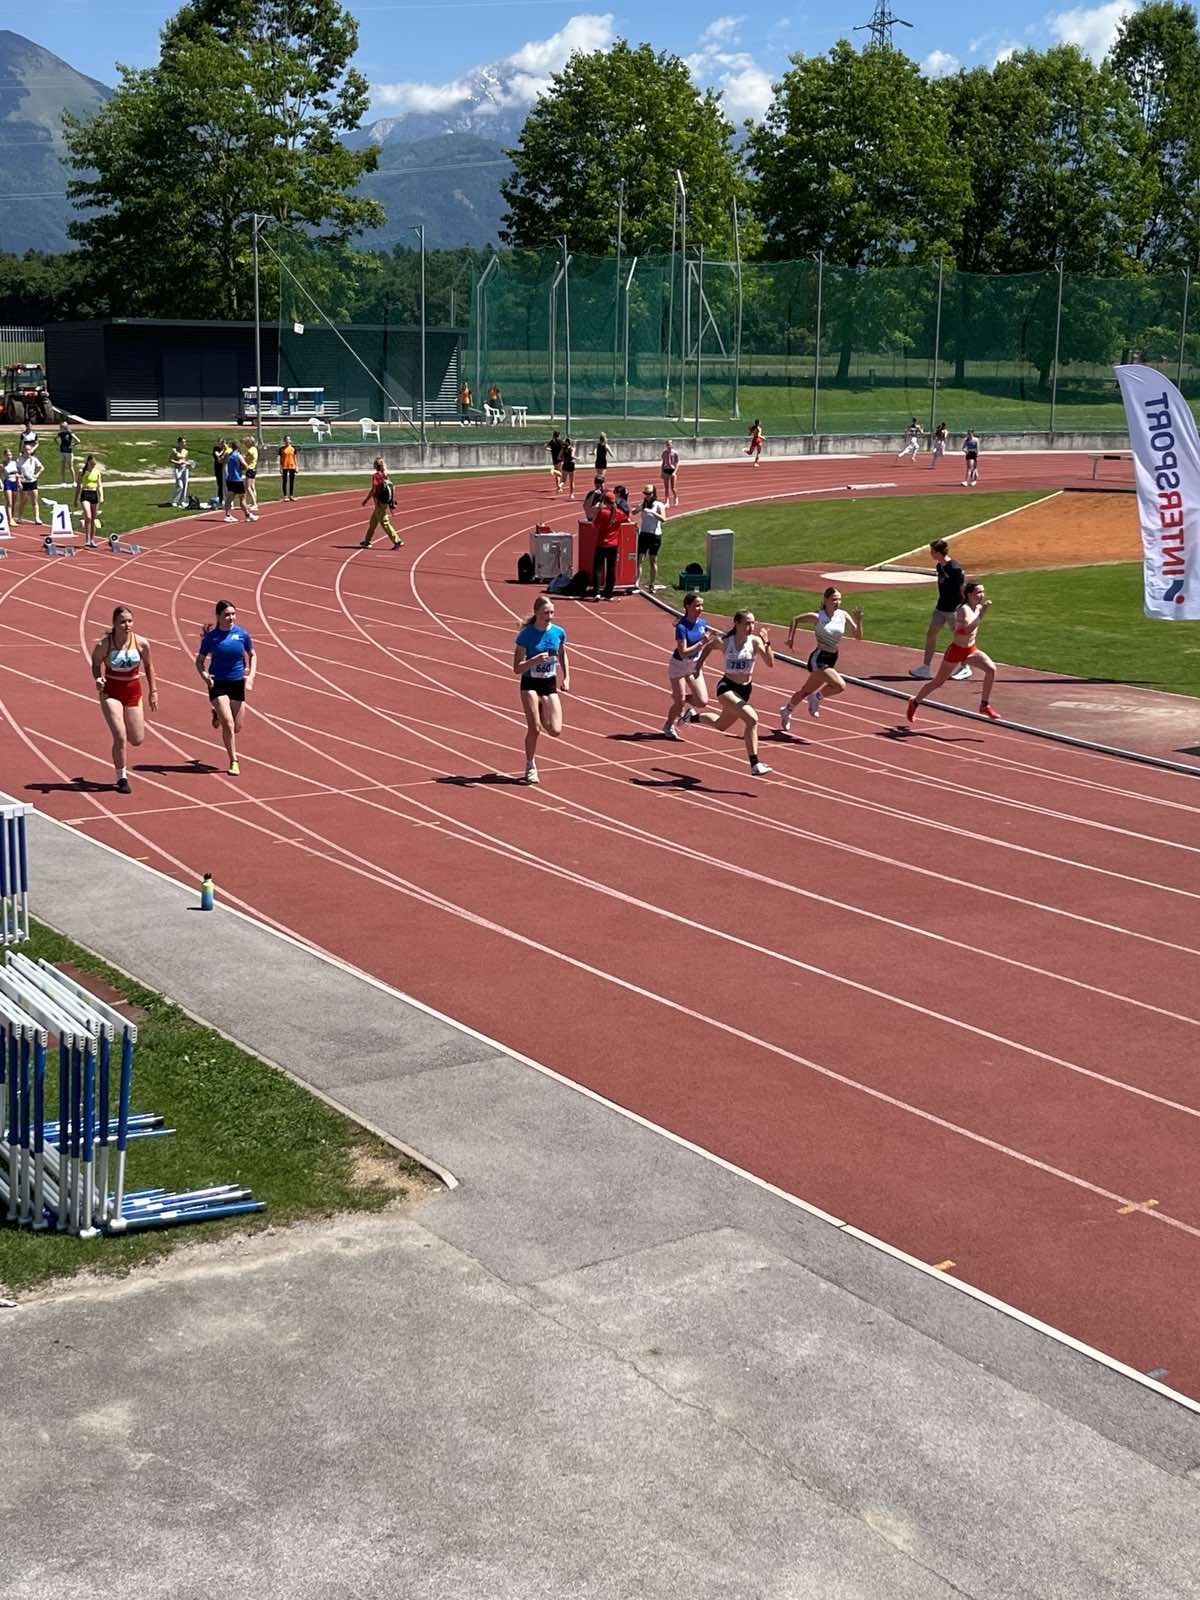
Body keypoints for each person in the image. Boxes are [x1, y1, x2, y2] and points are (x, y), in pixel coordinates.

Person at [906, 581, 999, 724]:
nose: (982, 595)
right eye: (978, 592)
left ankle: (984, 705)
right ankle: (915, 702)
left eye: (983, 592)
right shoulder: (964, 610)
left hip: (971, 649)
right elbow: (967, 629)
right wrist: (981, 615)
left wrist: (981, 612)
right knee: (938, 682)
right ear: (969, 594)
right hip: (956, 651)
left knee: (991, 669)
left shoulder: (978, 607)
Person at [694, 610, 774, 776]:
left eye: (753, 623)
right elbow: (709, 647)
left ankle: (693, 716)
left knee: (721, 725)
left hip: (745, 690)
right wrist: (698, 666)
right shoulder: (726, 641)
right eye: (747, 623)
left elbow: (770, 663)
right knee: (752, 719)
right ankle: (755, 764)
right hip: (726, 688)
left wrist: (767, 642)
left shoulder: (755, 642)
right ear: (737, 623)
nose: (751, 627)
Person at [90, 604, 158, 794]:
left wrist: (154, 691)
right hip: (111, 692)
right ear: (114, 624)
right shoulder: (104, 645)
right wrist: (98, 678)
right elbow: (95, 665)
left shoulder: (142, 643)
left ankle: (121, 762)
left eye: (130, 621)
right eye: (122, 622)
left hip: (133, 691)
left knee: (136, 739)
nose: (127, 625)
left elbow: (149, 667)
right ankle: (121, 777)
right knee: (120, 736)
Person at [779, 588, 863, 728]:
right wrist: (790, 639)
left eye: (840, 599)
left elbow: (858, 637)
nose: (838, 602)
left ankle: (786, 711)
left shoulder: (843, 615)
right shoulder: (818, 616)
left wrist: (858, 621)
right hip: (818, 659)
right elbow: (796, 619)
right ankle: (816, 698)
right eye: (834, 599)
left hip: (832, 657)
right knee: (840, 685)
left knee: (805, 690)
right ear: (825, 600)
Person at [512, 594, 569, 785]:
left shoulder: (558, 632)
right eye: (546, 612)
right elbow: (516, 668)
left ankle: (543, 707)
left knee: (555, 730)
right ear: (537, 613)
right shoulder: (526, 635)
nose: (550, 616)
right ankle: (530, 765)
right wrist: (535, 660)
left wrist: (567, 677)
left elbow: (562, 654)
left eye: (552, 612)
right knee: (534, 728)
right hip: (529, 684)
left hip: (549, 684)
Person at [195, 599, 256, 775]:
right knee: (228, 725)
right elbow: (199, 662)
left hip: (236, 683)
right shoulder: (211, 638)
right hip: (217, 683)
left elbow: (252, 655)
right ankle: (234, 760)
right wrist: (205, 676)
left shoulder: (242, 635)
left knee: (237, 727)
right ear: (218, 617)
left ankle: (217, 715)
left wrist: (250, 676)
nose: (231, 618)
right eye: (226, 615)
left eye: (233, 614)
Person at [909, 539, 973, 681]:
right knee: (931, 634)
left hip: (953, 610)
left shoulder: (955, 569)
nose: (930, 553)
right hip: (941, 607)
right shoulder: (939, 566)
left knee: (960, 639)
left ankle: (965, 667)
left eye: (932, 551)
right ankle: (925, 667)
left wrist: (964, 608)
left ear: (938, 553)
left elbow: (962, 589)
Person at [662, 592, 713, 739]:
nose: (700, 608)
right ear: (687, 606)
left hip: (694, 665)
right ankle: (668, 725)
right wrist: (701, 643)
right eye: (697, 605)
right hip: (679, 665)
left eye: (701, 605)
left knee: (702, 701)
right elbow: (683, 652)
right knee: (679, 704)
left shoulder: (703, 624)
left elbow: (705, 646)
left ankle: (682, 700)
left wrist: (701, 661)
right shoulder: (682, 627)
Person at [589, 491, 626, 601]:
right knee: (611, 568)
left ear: (604, 501)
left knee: (597, 568)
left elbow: (594, 525)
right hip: (613, 544)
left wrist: (597, 511)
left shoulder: (603, 512)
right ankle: (608, 593)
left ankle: (597, 592)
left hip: (601, 543)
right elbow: (626, 518)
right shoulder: (619, 513)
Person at [359, 457, 403, 548]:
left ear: (375, 465)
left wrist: (366, 500)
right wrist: (392, 502)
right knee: (373, 522)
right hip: (384, 502)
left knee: (385, 523)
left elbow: (373, 490)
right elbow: (391, 487)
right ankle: (367, 541)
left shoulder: (376, 476)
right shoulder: (385, 474)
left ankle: (397, 540)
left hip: (379, 502)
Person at [636, 484, 667, 590]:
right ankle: (636, 583)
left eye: (648, 494)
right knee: (639, 558)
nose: (647, 496)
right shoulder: (643, 503)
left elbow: (663, 519)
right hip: (644, 534)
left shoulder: (659, 505)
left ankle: (652, 584)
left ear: (653, 494)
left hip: (655, 535)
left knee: (653, 560)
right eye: (645, 494)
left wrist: (652, 512)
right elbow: (634, 511)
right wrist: (638, 509)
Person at [74, 454, 104, 547]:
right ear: (88, 463)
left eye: (94, 464)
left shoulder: (97, 472)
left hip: (94, 494)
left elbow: (99, 485)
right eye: (92, 464)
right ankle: (87, 538)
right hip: (85, 494)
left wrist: (101, 496)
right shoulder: (82, 472)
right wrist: (75, 499)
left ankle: (92, 539)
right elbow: (78, 485)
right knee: (88, 517)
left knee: (93, 519)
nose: (93, 465)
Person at [223, 440, 254, 522]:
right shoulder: (238, 455)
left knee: (229, 498)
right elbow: (246, 466)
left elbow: (222, 461)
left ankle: (227, 515)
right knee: (242, 499)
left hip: (230, 479)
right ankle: (248, 515)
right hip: (237, 480)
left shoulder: (229, 455)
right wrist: (242, 467)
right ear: (238, 447)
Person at [16, 445, 43, 525]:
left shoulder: (34, 459)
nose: (28, 451)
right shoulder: (19, 460)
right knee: (22, 501)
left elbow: (41, 467)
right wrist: (19, 481)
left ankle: (37, 518)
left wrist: (37, 474)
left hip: (32, 482)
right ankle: (19, 517)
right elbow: (17, 471)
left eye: (29, 450)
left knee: (34, 501)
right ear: (23, 450)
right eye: (26, 449)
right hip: (24, 482)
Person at [169, 437, 192, 507]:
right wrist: (177, 462)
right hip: (177, 469)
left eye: (185, 442)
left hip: (185, 469)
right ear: (179, 443)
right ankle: (174, 500)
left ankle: (182, 501)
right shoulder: (174, 450)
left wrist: (189, 464)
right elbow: (170, 459)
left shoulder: (186, 451)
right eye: (183, 442)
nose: (184, 443)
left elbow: (186, 460)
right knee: (180, 485)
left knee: (185, 486)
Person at [2, 449, 19, 525]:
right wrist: (1, 483)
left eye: (10, 455)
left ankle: (11, 517)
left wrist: (19, 482)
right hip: (7, 482)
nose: (9, 457)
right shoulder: (2, 465)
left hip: (14, 483)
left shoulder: (14, 463)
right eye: (7, 455)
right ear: (4, 456)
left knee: (14, 502)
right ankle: (10, 519)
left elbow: (17, 473)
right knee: (9, 502)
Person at [243, 436, 259, 513]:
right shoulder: (255, 449)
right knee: (252, 487)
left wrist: (242, 456)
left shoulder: (250, 450)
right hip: (253, 469)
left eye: (246, 443)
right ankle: (254, 503)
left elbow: (245, 458)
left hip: (250, 469)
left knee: (248, 487)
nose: (245, 445)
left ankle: (255, 504)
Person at [661, 439, 680, 507]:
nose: (668, 445)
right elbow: (663, 463)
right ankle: (667, 502)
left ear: (672, 444)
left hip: (672, 470)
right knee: (666, 488)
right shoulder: (664, 453)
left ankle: (676, 497)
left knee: (673, 488)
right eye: (667, 444)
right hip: (666, 469)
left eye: (669, 444)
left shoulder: (675, 453)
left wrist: (674, 472)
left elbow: (677, 463)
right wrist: (662, 472)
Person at [55, 422, 75, 486]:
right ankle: (63, 481)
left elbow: (78, 440)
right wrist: (59, 444)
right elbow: (55, 439)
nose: (60, 428)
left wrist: (72, 445)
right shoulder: (60, 434)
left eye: (61, 427)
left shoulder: (70, 433)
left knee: (70, 467)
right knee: (62, 466)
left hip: (69, 452)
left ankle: (74, 481)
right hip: (62, 451)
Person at [278, 435, 297, 500]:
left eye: (288, 439)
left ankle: (291, 495)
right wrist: (280, 468)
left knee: (292, 481)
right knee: (284, 481)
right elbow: (280, 459)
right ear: (284, 441)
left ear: (290, 441)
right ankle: (285, 496)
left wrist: (296, 466)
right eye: (286, 440)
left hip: (292, 466)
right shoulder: (281, 449)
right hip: (284, 467)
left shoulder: (293, 448)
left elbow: (295, 458)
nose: (287, 441)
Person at [212, 437, 229, 504]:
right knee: (220, 485)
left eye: (222, 443)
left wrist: (225, 449)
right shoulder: (216, 449)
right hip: (218, 469)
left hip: (225, 468)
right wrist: (223, 450)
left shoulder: (227, 450)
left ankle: (226, 499)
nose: (221, 445)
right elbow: (218, 456)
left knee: (226, 485)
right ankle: (220, 499)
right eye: (220, 443)